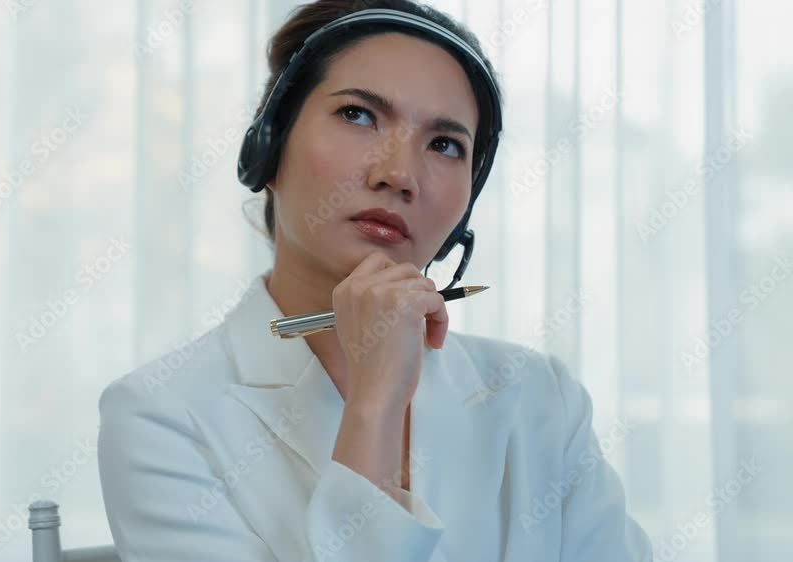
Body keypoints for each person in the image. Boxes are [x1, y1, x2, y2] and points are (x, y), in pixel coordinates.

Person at [98, 1, 652, 560]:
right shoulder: (159, 418)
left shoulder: (542, 398)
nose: (400, 174)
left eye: (445, 144)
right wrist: (375, 405)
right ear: (268, 144)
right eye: (358, 115)